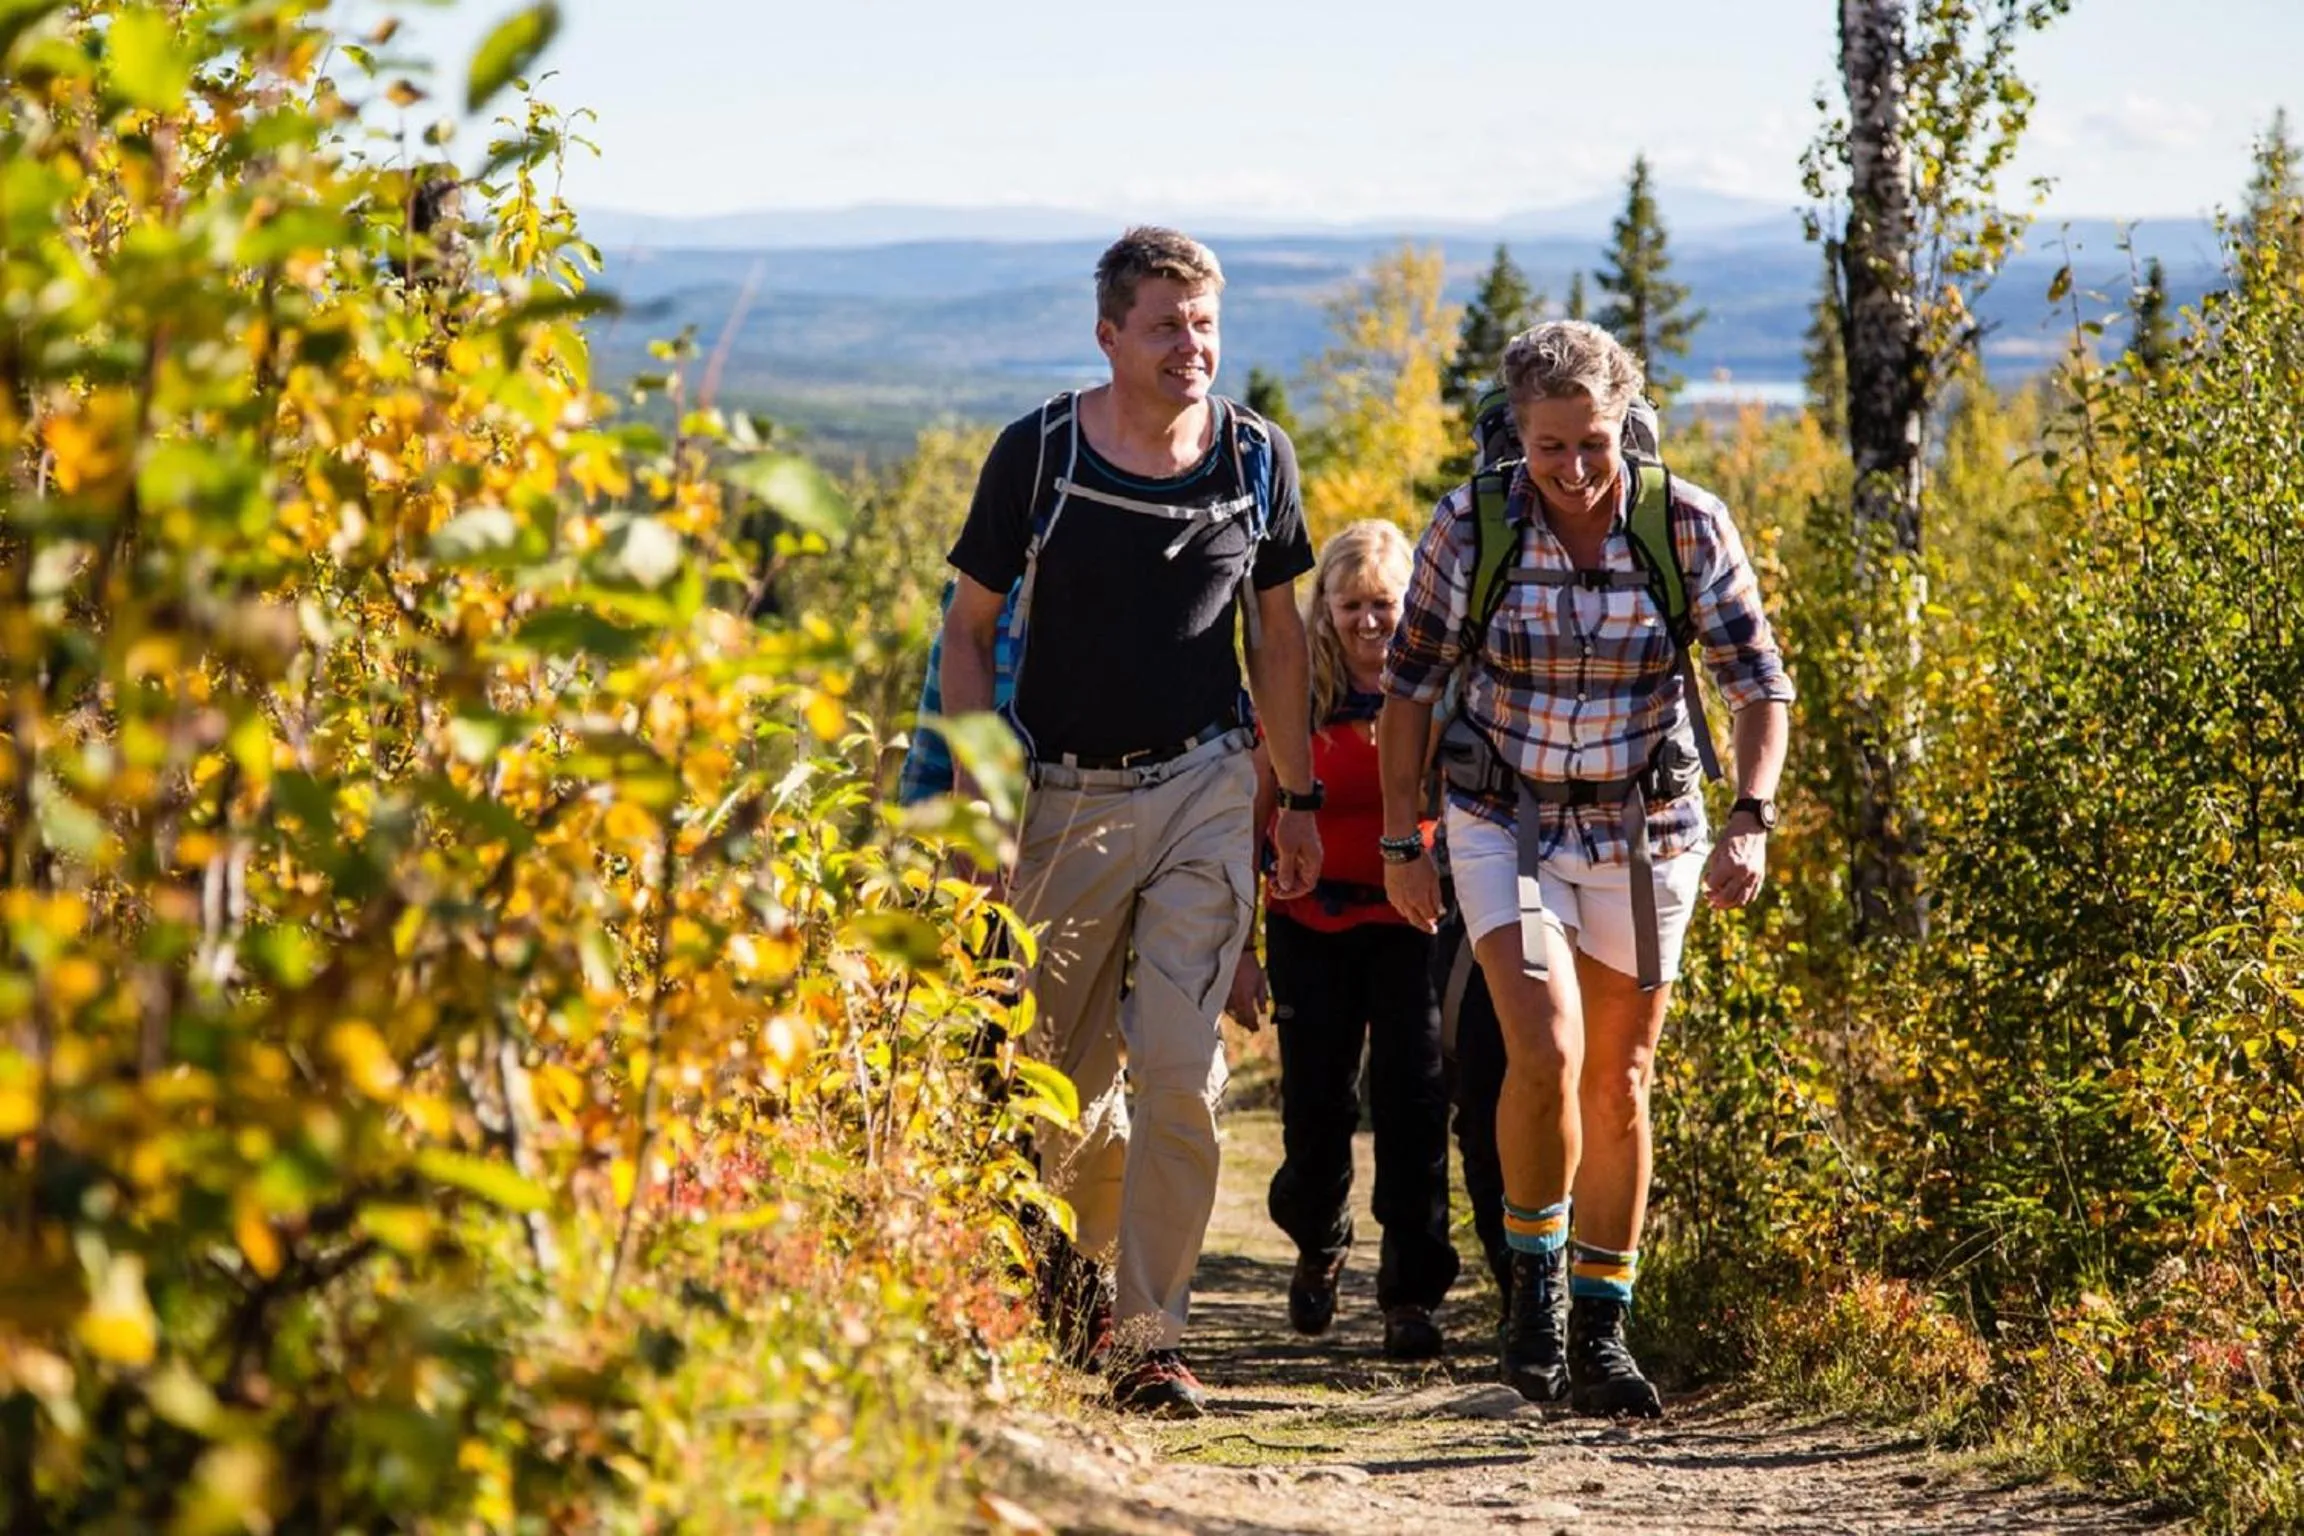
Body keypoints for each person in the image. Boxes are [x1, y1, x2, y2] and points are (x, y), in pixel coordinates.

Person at [1375, 321, 1793, 1417]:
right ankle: (1535, 1307)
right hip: (1499, 818)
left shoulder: (1686, 523)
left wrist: (1750, 816)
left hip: (1646, 826)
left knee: (1620, 1080)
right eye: (1550, 446)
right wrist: (1396, 839)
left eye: (1593, 445)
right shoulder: (1472, 523)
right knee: (1544, 1045)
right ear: (1517, 433)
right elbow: (1408, 688)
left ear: (1627, 428)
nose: (1571, 469)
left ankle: (1605, 1335)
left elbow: (1758, 682)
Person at [939, 226, 1321, 1419]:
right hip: (1062, 797)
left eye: (1205, 323)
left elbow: (1283, 635)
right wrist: (982, 793)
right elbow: (965, 630)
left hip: (1206, 783)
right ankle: (1070, 1283)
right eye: (1165, 325)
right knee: (1055, 1077)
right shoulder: (1041, 452)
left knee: (1177, 1072)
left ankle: (1152, 1336)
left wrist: (1294, 799)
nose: (1191, 346)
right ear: (1109, 335)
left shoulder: (1257, 459)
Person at [1228, 521, 1459, 1362]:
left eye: (1386, 605)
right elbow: (1256, 819)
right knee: (1318, 1110)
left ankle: (1410, 1296)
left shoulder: (1434, 692)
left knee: (1413, 1105)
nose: (1371, 622)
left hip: (1408, 926)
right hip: (1308, 925)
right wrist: (1242, 950)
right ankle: (1319, 1235)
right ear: (1325, 609)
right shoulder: (1294, 700)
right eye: (1353, 605)